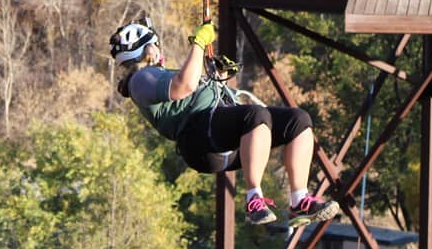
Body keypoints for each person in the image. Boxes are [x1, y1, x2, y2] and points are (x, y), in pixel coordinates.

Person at [110, 18, 340, 227]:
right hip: (198, 141)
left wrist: (217, 77)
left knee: (297, 120)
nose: (160, 52)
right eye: (156, 46)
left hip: (217, 131)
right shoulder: (140, 80)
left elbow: (195, 89)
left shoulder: (156, 76)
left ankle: (299, 200)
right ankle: (254, 199)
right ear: (148, 49)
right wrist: (198, 44)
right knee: (255, 115)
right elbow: (185, 86)